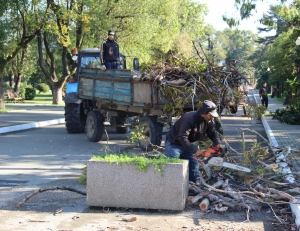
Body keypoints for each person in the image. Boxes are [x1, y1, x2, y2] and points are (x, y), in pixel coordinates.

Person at [165, 100, 222, 183]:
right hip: (174, 144)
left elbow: (212, 134)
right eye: (211, 115)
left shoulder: (208, 121)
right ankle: (172, 188)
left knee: (193, 165)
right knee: (174, 168)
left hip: (187, 144)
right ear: (204, 113)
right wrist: (195, 151)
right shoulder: (189, 118)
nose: (212, 118)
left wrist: (218, 144)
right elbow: (182, 137)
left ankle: (191, 187)